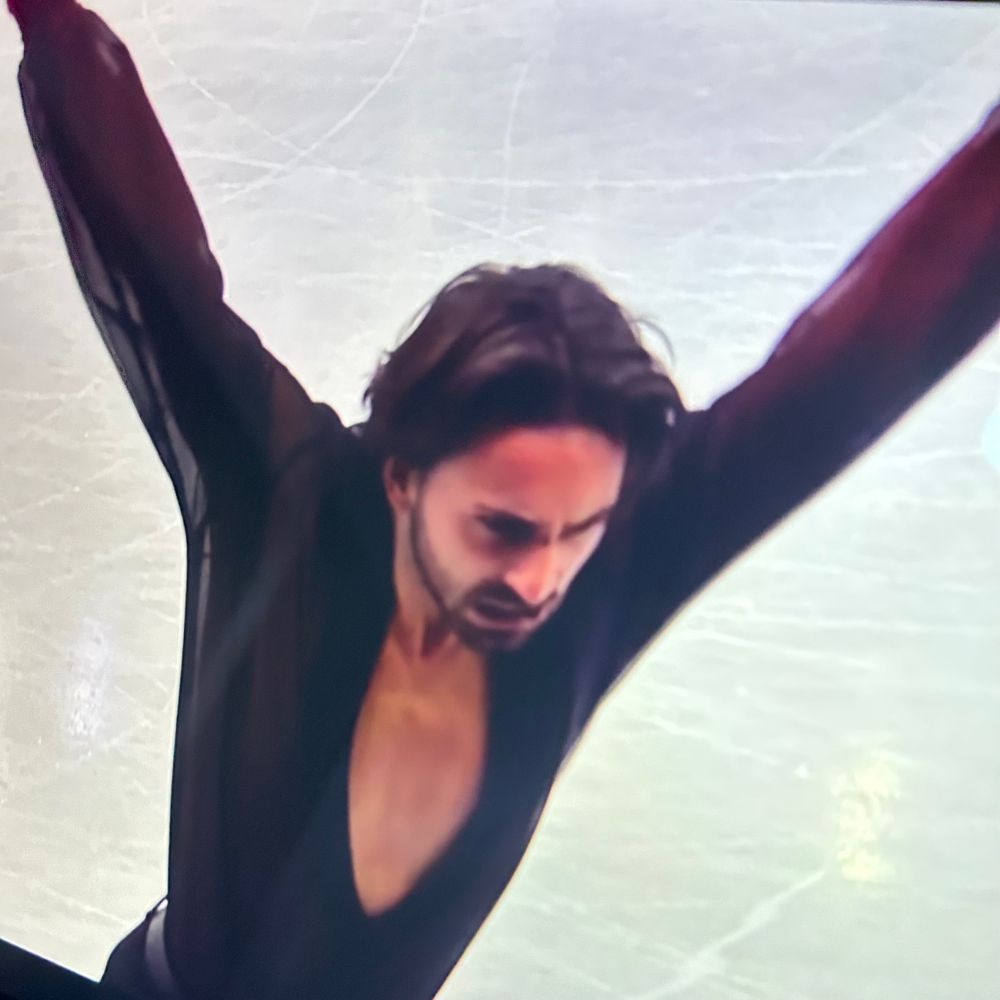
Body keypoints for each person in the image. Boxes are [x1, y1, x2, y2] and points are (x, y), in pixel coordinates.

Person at [7, 0, 999, 997]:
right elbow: (158, 273)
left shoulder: (612, 574)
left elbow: (846, 374)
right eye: (503, 527)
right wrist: (50, 20)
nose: (539, 578)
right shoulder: (288, 494)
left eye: (580, 528)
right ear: (401, 478)